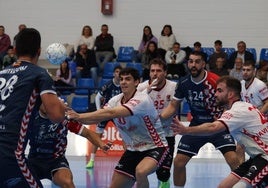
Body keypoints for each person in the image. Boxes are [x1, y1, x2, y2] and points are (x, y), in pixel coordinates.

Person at [67, 67, 169, 188]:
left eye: (128, 79)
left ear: (136, 82)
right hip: (132, 150)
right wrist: (75, 118)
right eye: (121, 79)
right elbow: (99, 117)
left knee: (141, 172)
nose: (123, 82)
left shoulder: (142, 100)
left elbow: (111, 114)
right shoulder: (115, 100)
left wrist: (78, 116)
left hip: (156, 147)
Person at [160, 51, 240, 187]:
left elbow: (230, 101)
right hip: (196, 127)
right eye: (191, 61)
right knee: (178, 162)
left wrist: (225, 117)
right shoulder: (184, 83)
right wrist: (159, 118)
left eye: (197, 62)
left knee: (233, 160)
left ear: (203, 64)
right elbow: (173, 106)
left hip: (218, 126)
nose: (193, 65)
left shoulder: (215, 80)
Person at [171, 76, 268, 188]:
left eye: (219, 90)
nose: (215, 94)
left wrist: (186, 130)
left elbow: (213, 127)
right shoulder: (243, 107)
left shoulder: (237, 111)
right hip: (257, 158)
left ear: (230, 94)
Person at [0, 28, 66, 187]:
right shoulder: (39, 74)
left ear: (14, 50)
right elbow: (56, 115)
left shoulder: (2, 73)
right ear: (39, 50)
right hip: (9, 153)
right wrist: (61, 105)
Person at [27, 102, 111, 188]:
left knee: (67, 182)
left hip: (56, 161)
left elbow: (87, 133)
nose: (46, 104)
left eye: (48, 102)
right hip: (34, 161)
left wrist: (101, 144)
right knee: (17, 181)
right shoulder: (29, 118)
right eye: (43, 101)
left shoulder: (64, 118)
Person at [137, 58, 177, 188]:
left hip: (167, 133)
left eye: (159, 71)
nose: (155, 74)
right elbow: (133, 107)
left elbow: (173, 108)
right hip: (146, 135)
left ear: (165, 72)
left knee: (164, 172)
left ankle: (164, 182)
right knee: (140, 170)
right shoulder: (142, 87)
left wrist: (156, 119)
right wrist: (147, 91)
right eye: (152, 71)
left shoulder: (173, 87)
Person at [86, 65, 122, 169]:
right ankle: (92, 161)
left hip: (117, 113)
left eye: (120, 72)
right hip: (106, 113)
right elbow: (98, 97)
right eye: (116, 71)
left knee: (125, 136)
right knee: (97, 137)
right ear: (114, 73)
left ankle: (125, 161)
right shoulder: (108, 85)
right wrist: (99, 111)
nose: (118, 74)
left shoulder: (124, 85)